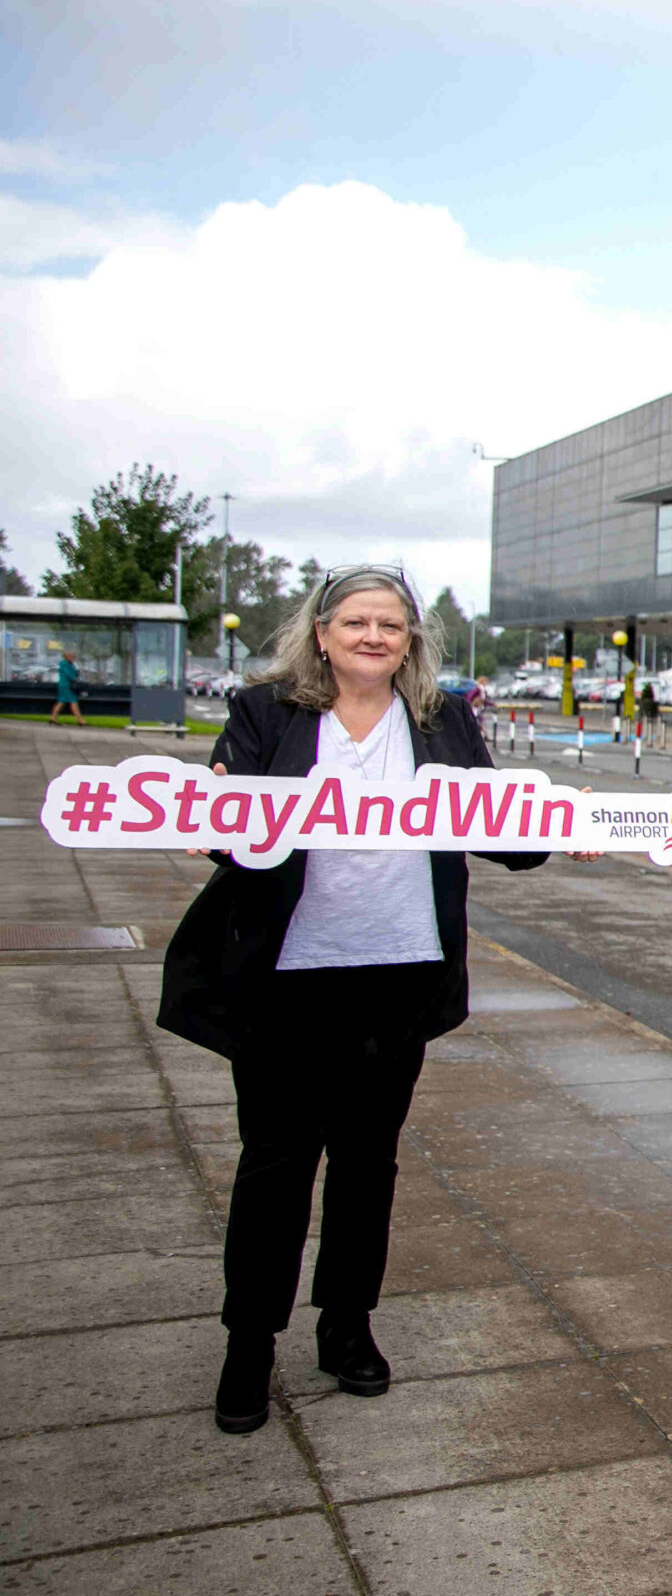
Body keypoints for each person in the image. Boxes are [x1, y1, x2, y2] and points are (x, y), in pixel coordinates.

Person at [157, 566, 595, 1437]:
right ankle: (249, 1344)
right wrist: (215, 820)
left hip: (398, 974)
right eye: (356, 622)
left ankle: (345, 1327)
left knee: (368, 1163)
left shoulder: (442, 719)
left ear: (411, 642)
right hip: (287, 978)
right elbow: (225, 836)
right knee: (276, 1163)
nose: (373, 637)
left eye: (391, 626)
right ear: (321, 634)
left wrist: (560, 825)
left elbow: (495, 828)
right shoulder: (263, 713)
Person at [49, 648, 84, 723]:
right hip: (66, 685)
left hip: (63, 685)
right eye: (73, 657)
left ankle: (53, 718)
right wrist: (74, 678)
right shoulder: (65, 664)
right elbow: (69, 674)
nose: (74, 658)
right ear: (68, 657)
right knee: (73, 701)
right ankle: (80, 720)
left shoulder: (67, 664)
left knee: (61, 701)